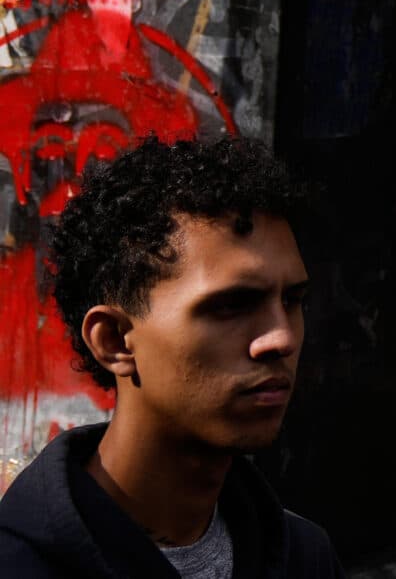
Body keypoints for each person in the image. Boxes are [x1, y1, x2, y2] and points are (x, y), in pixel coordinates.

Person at [0, 134, 339, 577]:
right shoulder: (19, 563)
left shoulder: (303, 557)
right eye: (231, 305)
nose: (281, 338)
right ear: (116, 341)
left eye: (293, 300)